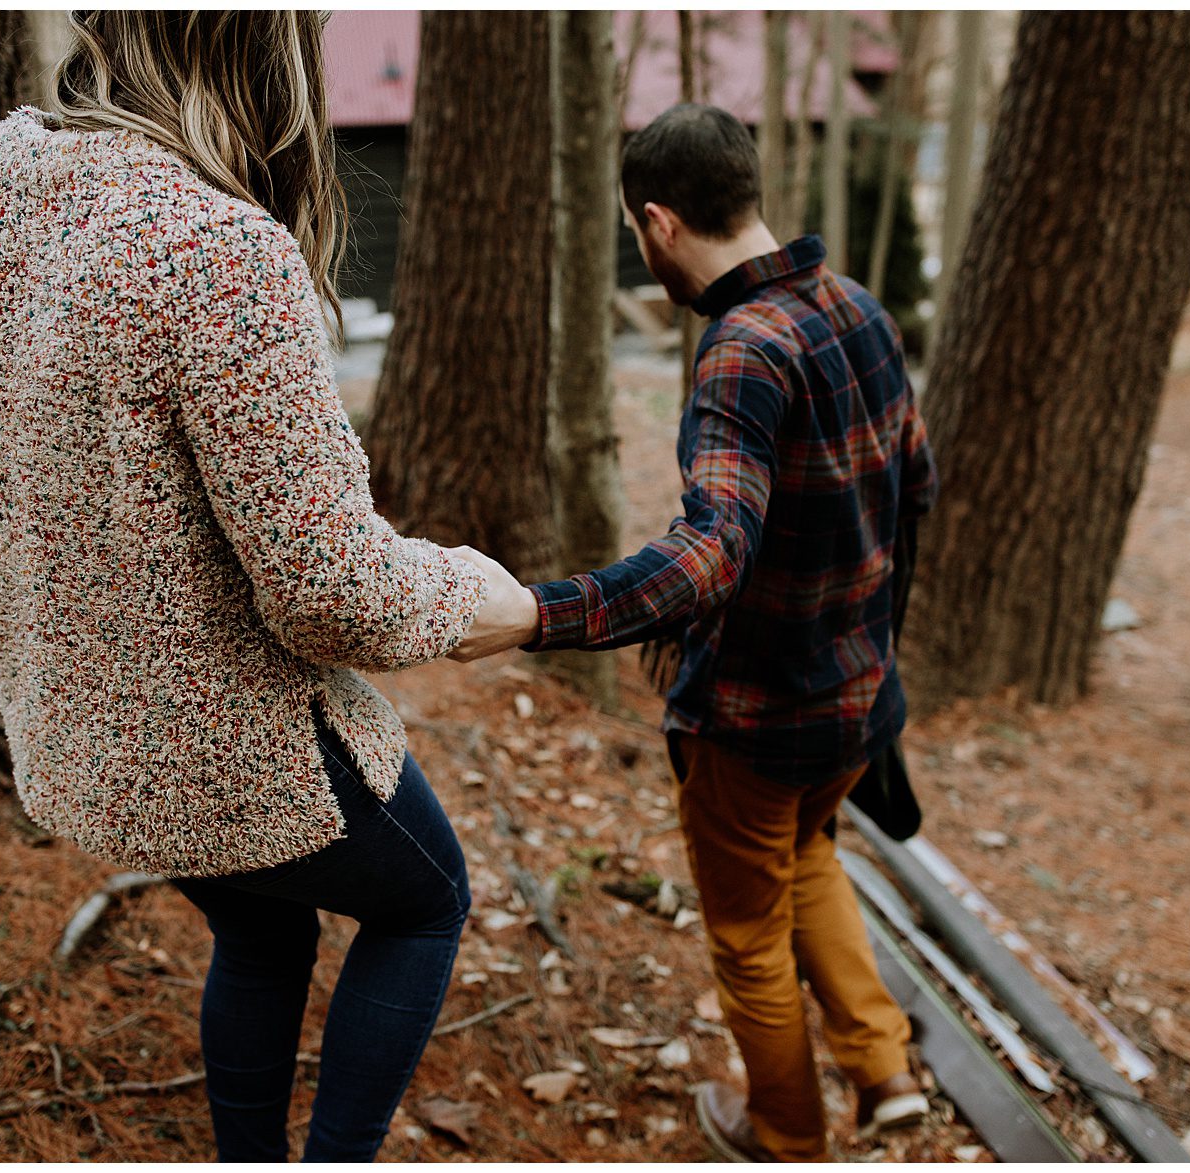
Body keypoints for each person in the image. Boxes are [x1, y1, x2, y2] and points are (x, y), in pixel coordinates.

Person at [0, 12, 536, 1162]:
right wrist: (477, 597)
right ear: (266, 49)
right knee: (425, 900)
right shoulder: (217, 248)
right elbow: (329, 592)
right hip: (235, 762)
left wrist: (4, 376)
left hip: (82, 751)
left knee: (261, 938)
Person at [451, 103, 941, 1162]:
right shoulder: (858, 309)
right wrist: (872, 644)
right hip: (857, 707)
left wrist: (539, 613)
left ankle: (784, 1135)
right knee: (806, 856)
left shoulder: (739, 353)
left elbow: (713, 549)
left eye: (639, 234)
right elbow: (917, 491)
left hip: (757, 727)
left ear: (659, 224)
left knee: (747, 935)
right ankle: (882, 1065)